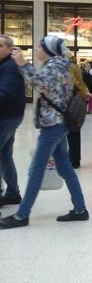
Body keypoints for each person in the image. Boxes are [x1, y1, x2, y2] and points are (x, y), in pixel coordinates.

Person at [0, 36, 88, 229]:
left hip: (53, 126)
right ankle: (80, 209)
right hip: (58, 123)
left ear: (48, 50)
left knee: (36, 169)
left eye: (40, 47)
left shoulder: (54, 67)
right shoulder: (59, 65)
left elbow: (41, 84)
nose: (37, 50)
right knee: (65, 168)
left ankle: (22, 215)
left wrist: (23, 63)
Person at [0, 35, 25, 211]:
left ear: (10, 49)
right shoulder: (5, 65)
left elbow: (6, 95)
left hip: (7, 117)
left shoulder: (10, 68)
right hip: (10, 116)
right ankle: (13, 193)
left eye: (0, 45)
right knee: (5, 156)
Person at [67, 54, 90, 169]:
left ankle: (72, 159)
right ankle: (75, 160)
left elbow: (73, 83)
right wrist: (85, 94)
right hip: (78, 101)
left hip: (69, 103)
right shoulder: (76, 67)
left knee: (69, 134)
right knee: (75, 132)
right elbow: (81, 84)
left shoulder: (67, 67)